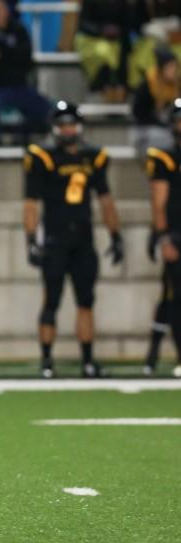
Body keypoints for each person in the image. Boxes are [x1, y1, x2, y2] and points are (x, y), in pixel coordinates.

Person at [24, 101, 123, 379]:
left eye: (71, 124)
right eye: (62, 124)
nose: (68, 130)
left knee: (85, 301)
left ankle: (88, 361)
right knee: (51, 300)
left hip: (83, 238)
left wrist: (115, 234)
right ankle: (46, 360)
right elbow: (31, 203)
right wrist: (31, 237)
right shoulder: (42, 156)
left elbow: (105, 199)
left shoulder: (94, 156)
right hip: (54, 238)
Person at [0, 0, 50, 141]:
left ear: (6, 11)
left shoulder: (19, 31)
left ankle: (23, 138)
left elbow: (26, 61)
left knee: (43, 106)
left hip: (19, 87)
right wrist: (10, 55)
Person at [145, 97, 181, 378]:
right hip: (177, 235)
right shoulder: (165, 157)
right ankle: (161, 354)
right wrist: (164, 237)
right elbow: (159, 203)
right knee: (174, 297)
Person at [131, 47, 180, 157]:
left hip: (166, 127)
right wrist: (164, 124)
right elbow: (138, 114)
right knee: (163, 138)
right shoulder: (147, 85)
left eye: (175, 67)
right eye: (170, 67)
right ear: (161, 68)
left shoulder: (175, 85)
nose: (173, 71)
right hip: (145, 130)